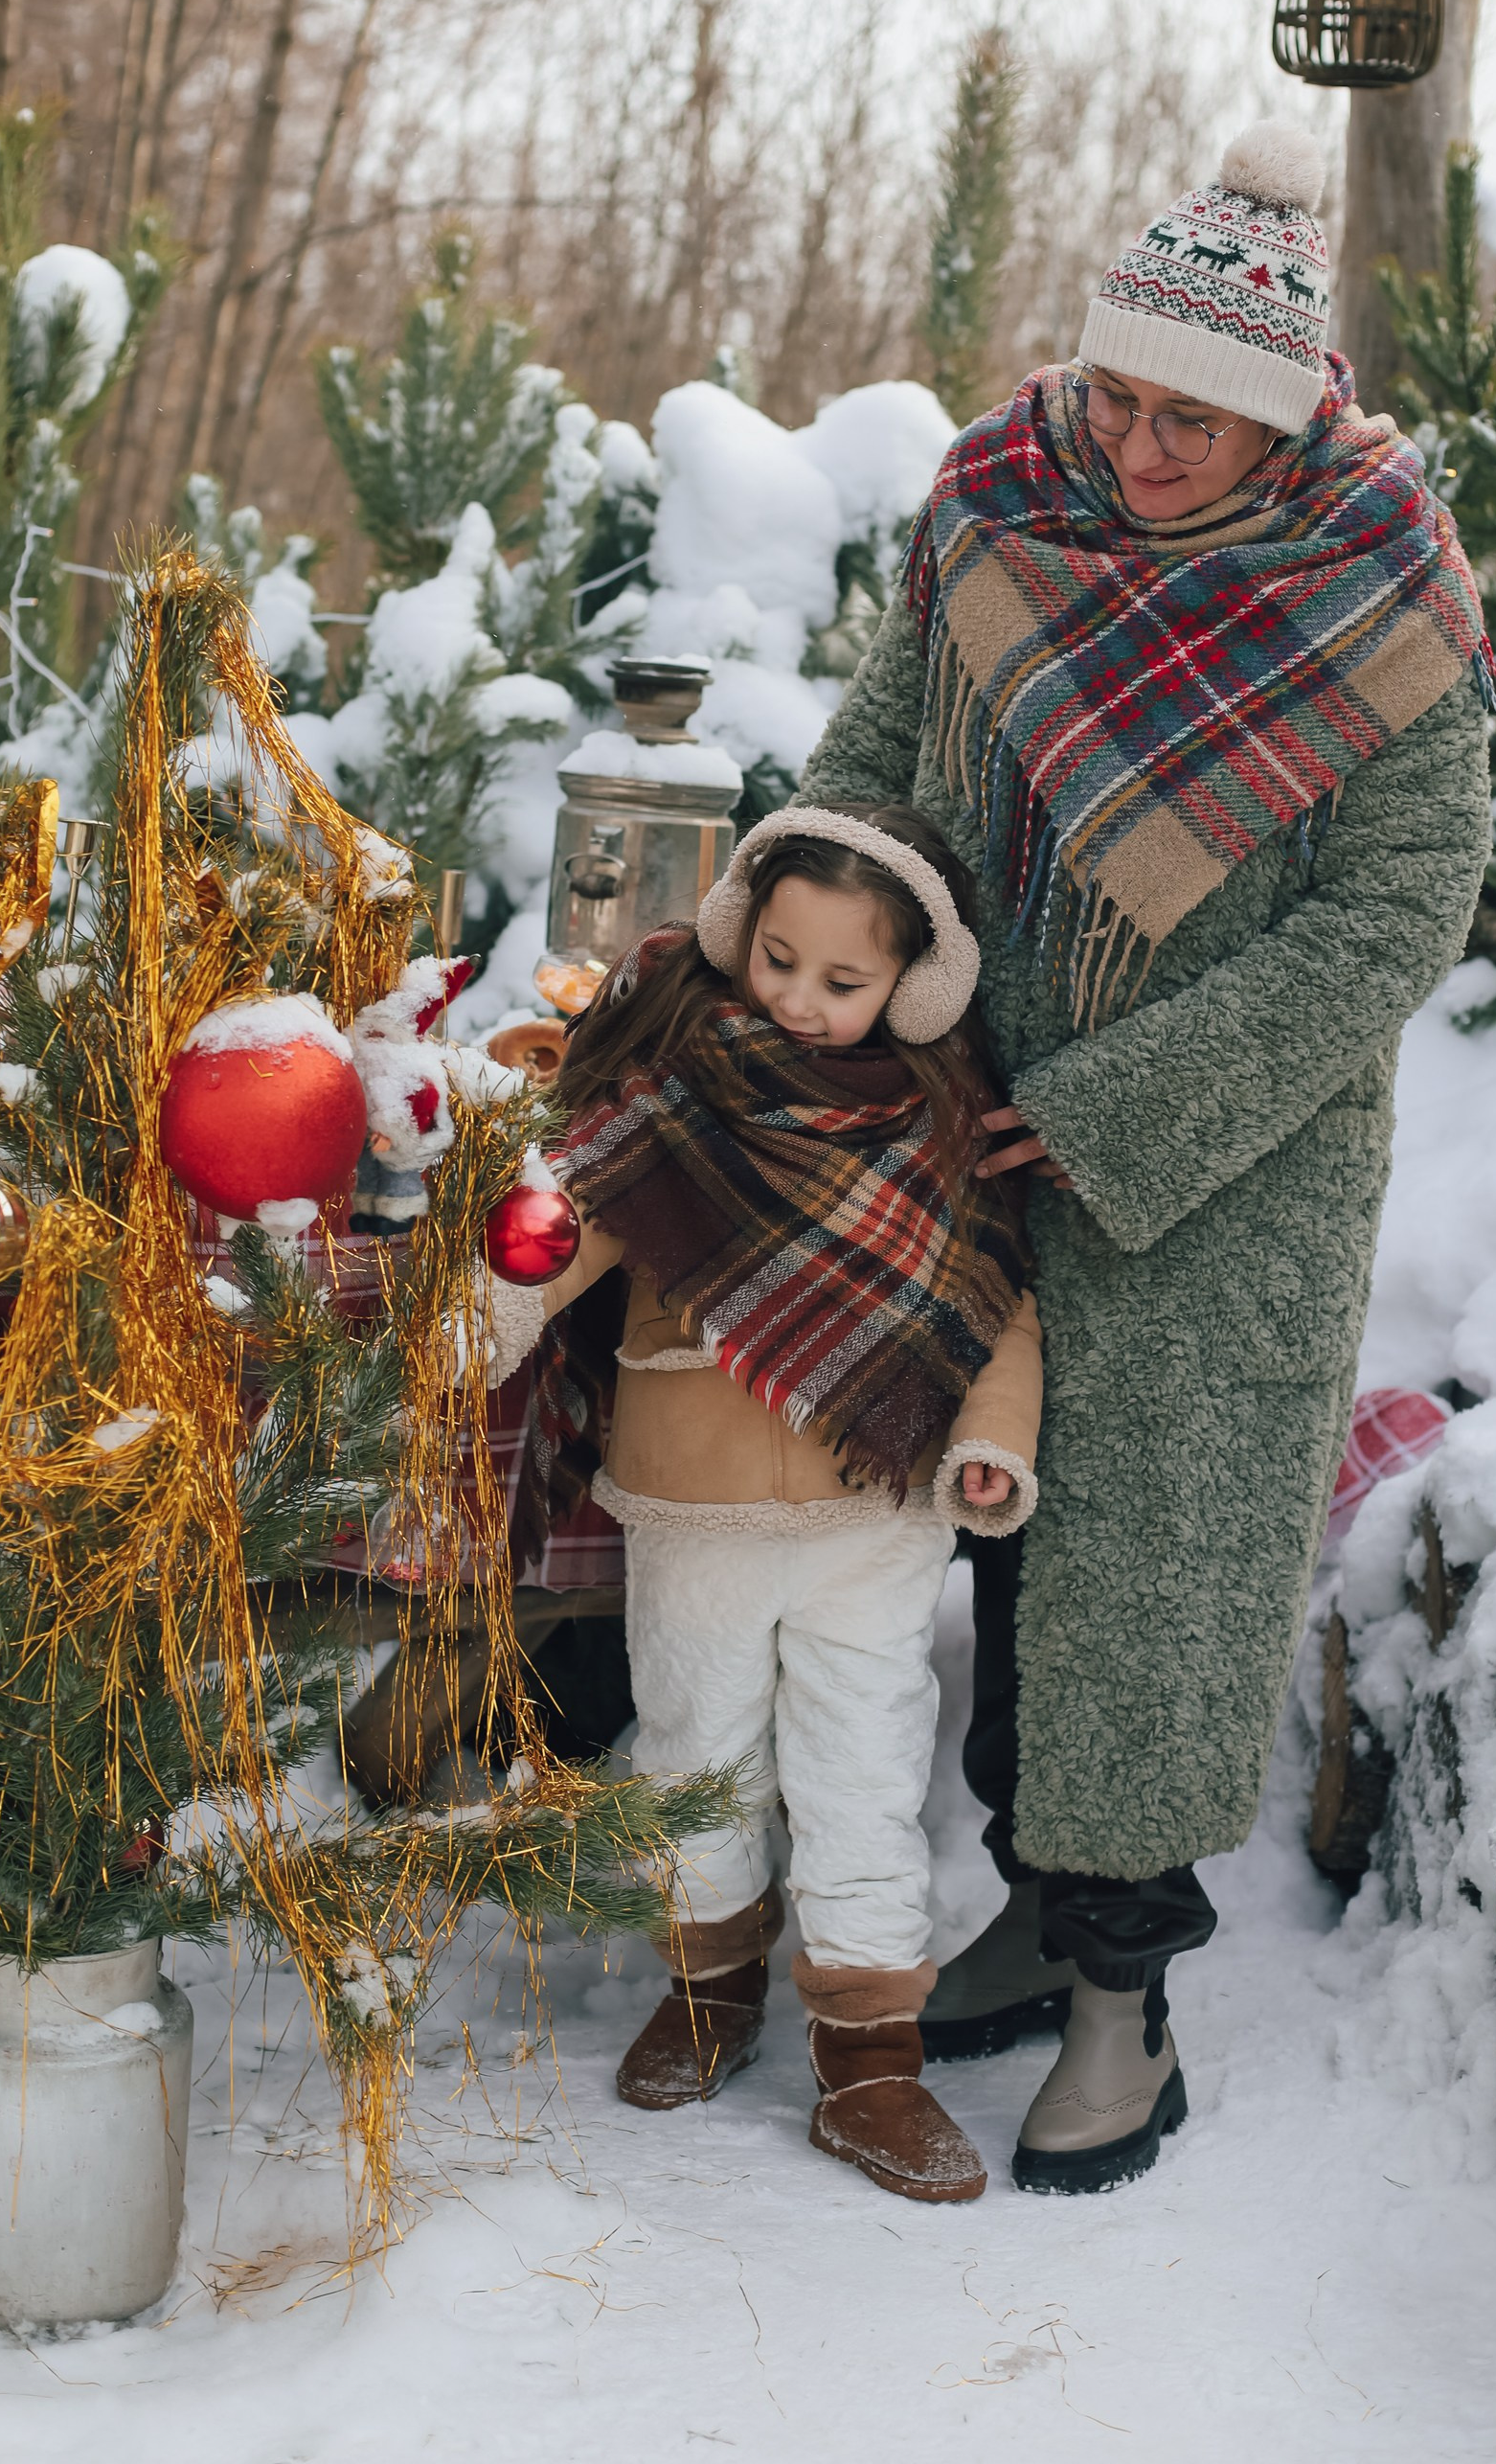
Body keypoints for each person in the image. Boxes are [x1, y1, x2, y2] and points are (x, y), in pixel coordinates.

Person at [797, 121, 1495, 2194]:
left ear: (1288, 416)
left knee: (1156, 1575)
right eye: (1117, 394)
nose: (1141, 445)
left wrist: (1120, 1107)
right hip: (960, 1111)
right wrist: (803, 919)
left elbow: (1398, 914)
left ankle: (1125, 2005)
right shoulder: (998, 510)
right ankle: (1030, 1894)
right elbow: (873, 751)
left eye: (1193, 419)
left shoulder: (1375, 590)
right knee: (1004, 1536)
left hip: (1222, 1176)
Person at [481, 805, 1043, 2205]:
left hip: (876, 1517)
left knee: (863, 1771)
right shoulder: (671, 1099)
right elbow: (568, 1230)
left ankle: (872, 2061)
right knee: (695, 1750)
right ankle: (710, 1987)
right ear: (741, 933)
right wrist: (483, 1303)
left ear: (914, 986)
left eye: (841, 983)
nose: (798, 999)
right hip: (697, 1507)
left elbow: (1001, 1307)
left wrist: (988, 1437)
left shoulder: (941, 1123)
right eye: (778, 960)